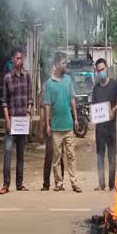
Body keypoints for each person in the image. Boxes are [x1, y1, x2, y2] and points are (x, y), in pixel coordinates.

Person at [44, 52, 80, 192]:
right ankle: (59, 183)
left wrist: (76, 118)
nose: (66, 65)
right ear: (57, 64)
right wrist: (47, 124)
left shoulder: (68, 80)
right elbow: (47, 105)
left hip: (68, 125)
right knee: (57, 157)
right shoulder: (49, 84)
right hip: (56, 127)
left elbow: (72, 99)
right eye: (64, 63)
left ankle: (74, 183)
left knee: (71, 155)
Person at [1, 47, 33, 194]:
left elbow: (30, 98)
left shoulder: (27, 76)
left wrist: (29, 111)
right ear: (12, 60)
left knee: (21, 153)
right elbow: (4, 101)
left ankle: (19, 184)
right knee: (8, 151)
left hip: (23, 122)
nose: (20, 61)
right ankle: (6, 184)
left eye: (21, 58)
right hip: (12, 121)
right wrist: (7, 120)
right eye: (17, 58)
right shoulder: (7, 78)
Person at [92, 58, 117, 191]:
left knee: (112, 156)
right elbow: (94, 107)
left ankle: (112, 184)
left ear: (106, 68)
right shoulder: (96, 88)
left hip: (111, 128)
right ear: (96, 72)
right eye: (98, 70)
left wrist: (113, 110)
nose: (101, 72)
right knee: (100, 156)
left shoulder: (114, 85)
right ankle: (101, 183)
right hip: (100, 128)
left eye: (102, 69)